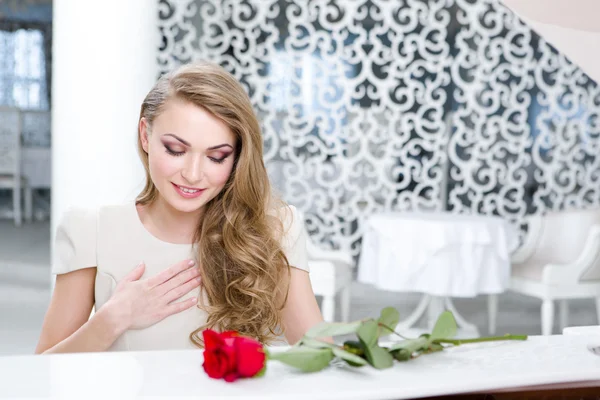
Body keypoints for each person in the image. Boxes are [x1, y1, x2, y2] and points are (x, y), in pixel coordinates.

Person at [35, 60, 325, 353]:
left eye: (217, 157)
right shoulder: (92, 232)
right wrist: (111, 320)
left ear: (237, 157)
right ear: (146, 135)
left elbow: (320, 356)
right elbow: (42, 375)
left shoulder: (272, 230)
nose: (193, 174)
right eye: (176, 150)